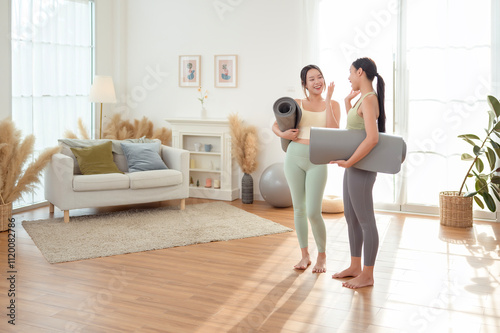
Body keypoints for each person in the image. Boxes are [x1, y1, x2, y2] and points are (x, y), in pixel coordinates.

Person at [272, 64, 341, 273]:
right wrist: (283, 135)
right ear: (304, 84)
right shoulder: (297, 103)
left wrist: (328, 100)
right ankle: (304, 255)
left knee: (313, 211)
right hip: (294, 157)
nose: (317, 82)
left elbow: (333, 130)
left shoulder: (333, 103)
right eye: (311, 79)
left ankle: (322, 255)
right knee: (299, 209)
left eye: (319, 77)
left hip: (317, 159)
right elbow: (274, 124)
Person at [330, 57, 386, 288]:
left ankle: (368, 274)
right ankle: (355, 266)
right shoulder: (362, 99)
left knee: (365, 220)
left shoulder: (370, 99)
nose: (349, 77)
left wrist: (349, 161)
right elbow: (355, 130)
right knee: (351, 217)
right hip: (354, 166)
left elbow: (372, 138)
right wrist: (346, 103)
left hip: (361, 167)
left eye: (351, 72)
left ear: (361, 72)